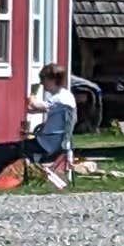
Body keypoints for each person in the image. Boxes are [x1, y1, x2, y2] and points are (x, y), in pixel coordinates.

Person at [30, 61, 79, 190]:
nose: (42, 83)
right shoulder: (67, 96)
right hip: (62, 142)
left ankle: (17, 178)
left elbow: (34, 106)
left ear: (52, 79)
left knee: (7, 150)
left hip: (49, 144)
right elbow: (34, 110)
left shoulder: (59, 99)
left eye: (43, 79)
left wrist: (32, 93)